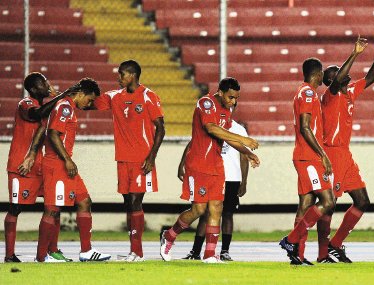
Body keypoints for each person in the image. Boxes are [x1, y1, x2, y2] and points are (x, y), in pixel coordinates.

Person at [160, 77, 260, 264]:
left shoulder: (226, 110)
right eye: (230, 97)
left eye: (236, 98)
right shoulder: (206, 103)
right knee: (199, 209)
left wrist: (247, 153)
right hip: (199, 164)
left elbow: (227, 138)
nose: (233, 102)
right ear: (220, 92)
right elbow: (211, 128)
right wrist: (244, 139)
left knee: (216, 208)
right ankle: (169, 235)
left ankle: (210, 255)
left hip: (216, 165)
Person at [316, 34, 374, 263]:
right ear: (329, 81)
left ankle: (335, 244)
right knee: (330, 205)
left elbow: (370, 78)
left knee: (362, 201)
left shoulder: (350, 92)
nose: (341, 72)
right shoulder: (330, 95)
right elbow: (337, 80)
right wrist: (355, 53)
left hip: (345, 154)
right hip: (332, 153)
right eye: (334, 73)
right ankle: (322, 252)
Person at [94, 60, 165, 262]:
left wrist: (152, 157)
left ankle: (138, 252)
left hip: (142, 160)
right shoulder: (115, 96)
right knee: (128, 204)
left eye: (122, 74)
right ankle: (133, 250)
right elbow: (90, 104)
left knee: (135, 202)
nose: (119, 77)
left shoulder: (148, 96)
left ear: (132, 75)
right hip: (123, 160)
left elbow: (161, 128)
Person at [35, 77, 111, 262]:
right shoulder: (65, 107)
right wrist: (68, 160)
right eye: (90, 99)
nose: (90, 103)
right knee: (52, 210)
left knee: (84, 201)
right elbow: (52, 133)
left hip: (64, 164)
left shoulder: (67, 107)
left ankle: (86, 251)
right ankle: (41, 256)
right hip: (56, 164)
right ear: (81, 93)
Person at [4, 72, 70, 262]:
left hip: (43, 165)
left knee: (54, 207)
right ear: (33, 89)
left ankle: (52, 251)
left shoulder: (49, 106)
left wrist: (60, 98)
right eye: (43, 84)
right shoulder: (25, 103)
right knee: (16, 208)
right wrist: (60, 96)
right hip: (21, 164)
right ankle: (9, 255)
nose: (47, 85)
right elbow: (37, 114)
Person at [278, 57, 338, 265]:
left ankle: (298, 254)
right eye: (322, 74)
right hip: (309, 157)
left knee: (306, 203)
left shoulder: (302, 92)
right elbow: (305, 127)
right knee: (328, 201)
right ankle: (291, 240)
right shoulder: (309, 93)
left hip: (304, 156)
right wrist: (323, 154)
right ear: (318, 74)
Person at [181, 116, 249, 261]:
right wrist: (182, 164)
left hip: (232, 177)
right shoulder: (210, 124)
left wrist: (244, 181)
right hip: (212, 173)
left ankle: (224, 251)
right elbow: (194, 143)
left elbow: (244, 156)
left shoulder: (239, 129)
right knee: (205, 213)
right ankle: (195, 251)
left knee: (228, 214)